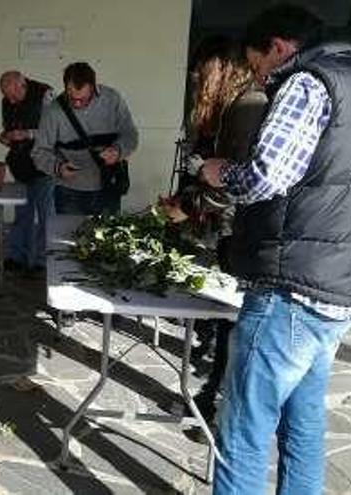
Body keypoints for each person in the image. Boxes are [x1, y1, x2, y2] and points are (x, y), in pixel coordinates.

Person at [197, 5, 351, 493]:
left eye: (259, 65)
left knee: (242, 430)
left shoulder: (308, 82)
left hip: (289, 288)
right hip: (336, 287)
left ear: (280, 47)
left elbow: (268, 176)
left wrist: (217, 172)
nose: (260, 78)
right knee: (303, 427)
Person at [161, 37, 268, 439]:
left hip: (243, 234)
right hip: (232, 233)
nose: (196, 80)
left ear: (220, 69)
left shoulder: (248, 106)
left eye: (200, 72)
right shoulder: (236, 107)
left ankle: (217, 402)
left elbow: (231, 181)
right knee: (229, 321)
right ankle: (211, 396)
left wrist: (188, 207)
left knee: (234, 323)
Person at [32, 62, 138, 215]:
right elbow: (39, 152)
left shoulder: (112, 99)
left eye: (83, 99)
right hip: (69, 191)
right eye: (72, 98)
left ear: (94, 89)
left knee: (105, 237)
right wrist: (58, 168)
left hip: (108, 186)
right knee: (69, 236)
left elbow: (130, 134)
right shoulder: (53, 111)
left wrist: (118, 151)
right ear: (66, 88)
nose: (77, 104)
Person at [0, 70, 56, 274]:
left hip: (44, 166)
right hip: (21, 165)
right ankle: (17, 258)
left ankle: (43, 263)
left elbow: (54, 131)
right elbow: (9, 127)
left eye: (13, 96)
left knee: (46, 216)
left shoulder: (45, 95)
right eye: (6, 97)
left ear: (21, 85)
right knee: (22, 213)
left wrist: (26, 134)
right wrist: (6, 135)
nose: (10, 101)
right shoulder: (8, 100)